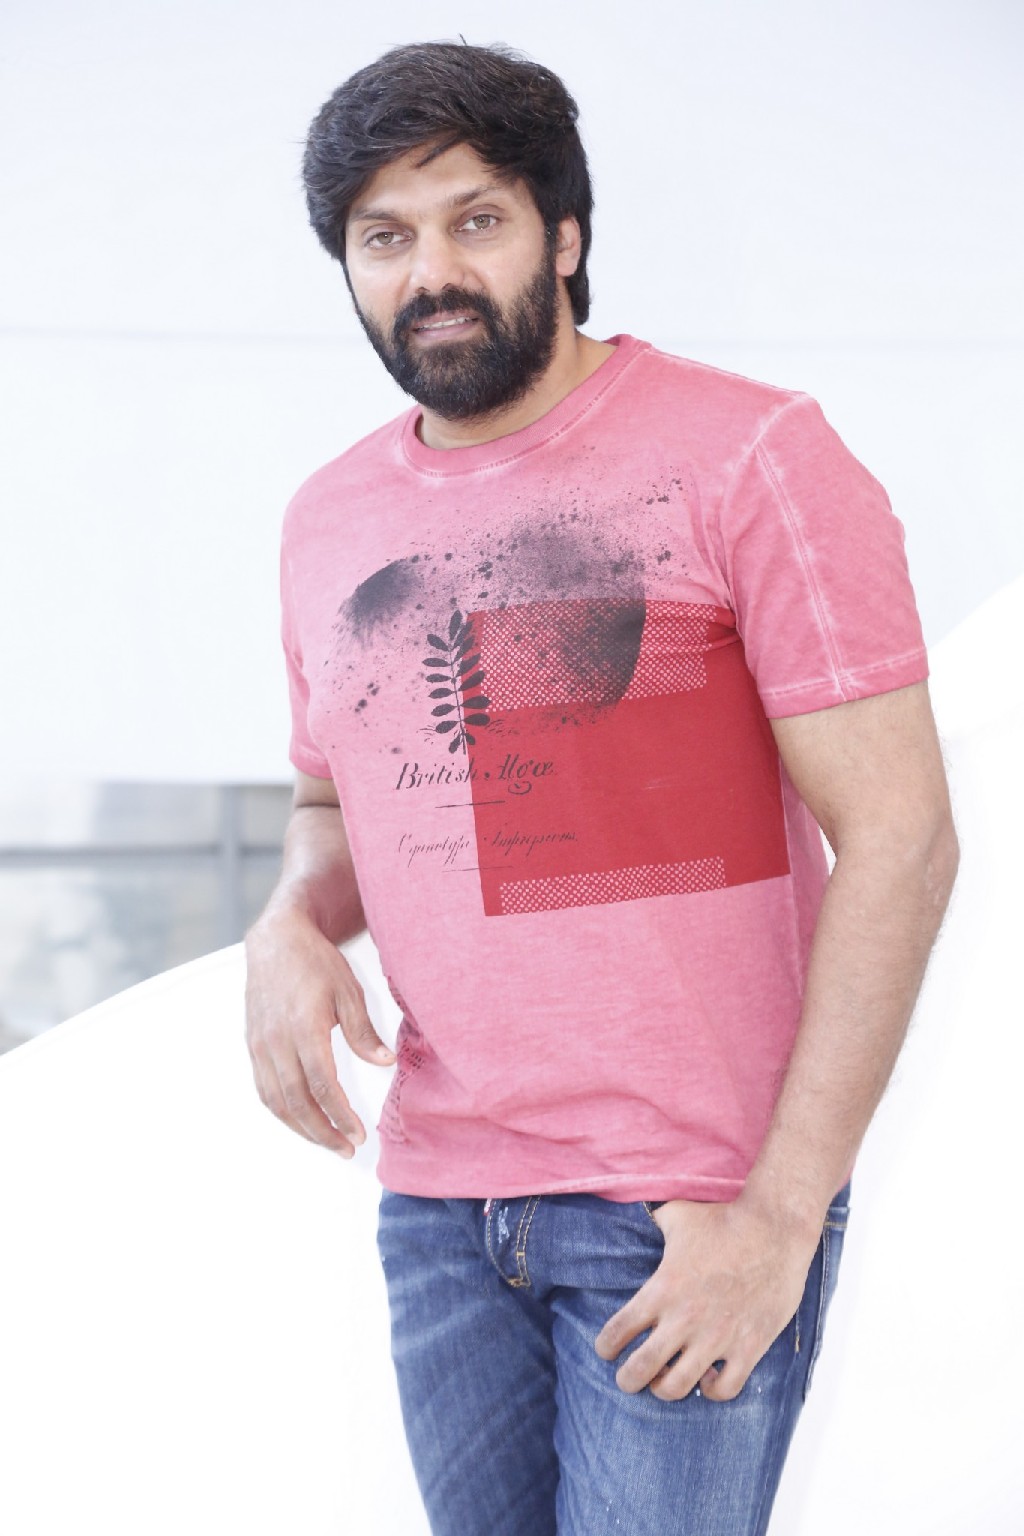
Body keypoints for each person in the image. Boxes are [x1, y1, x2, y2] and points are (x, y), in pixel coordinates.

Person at [244, 40, 958, 1536]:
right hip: (442, 1210)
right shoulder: (326, 519)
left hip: (684, 1209)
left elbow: (900, 839)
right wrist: (291, 923)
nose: (432, 272)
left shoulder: (749, 454)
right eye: (385, 238)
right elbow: (331, 803)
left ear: (565, 234)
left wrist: (781, 1216)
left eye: (476, 219)